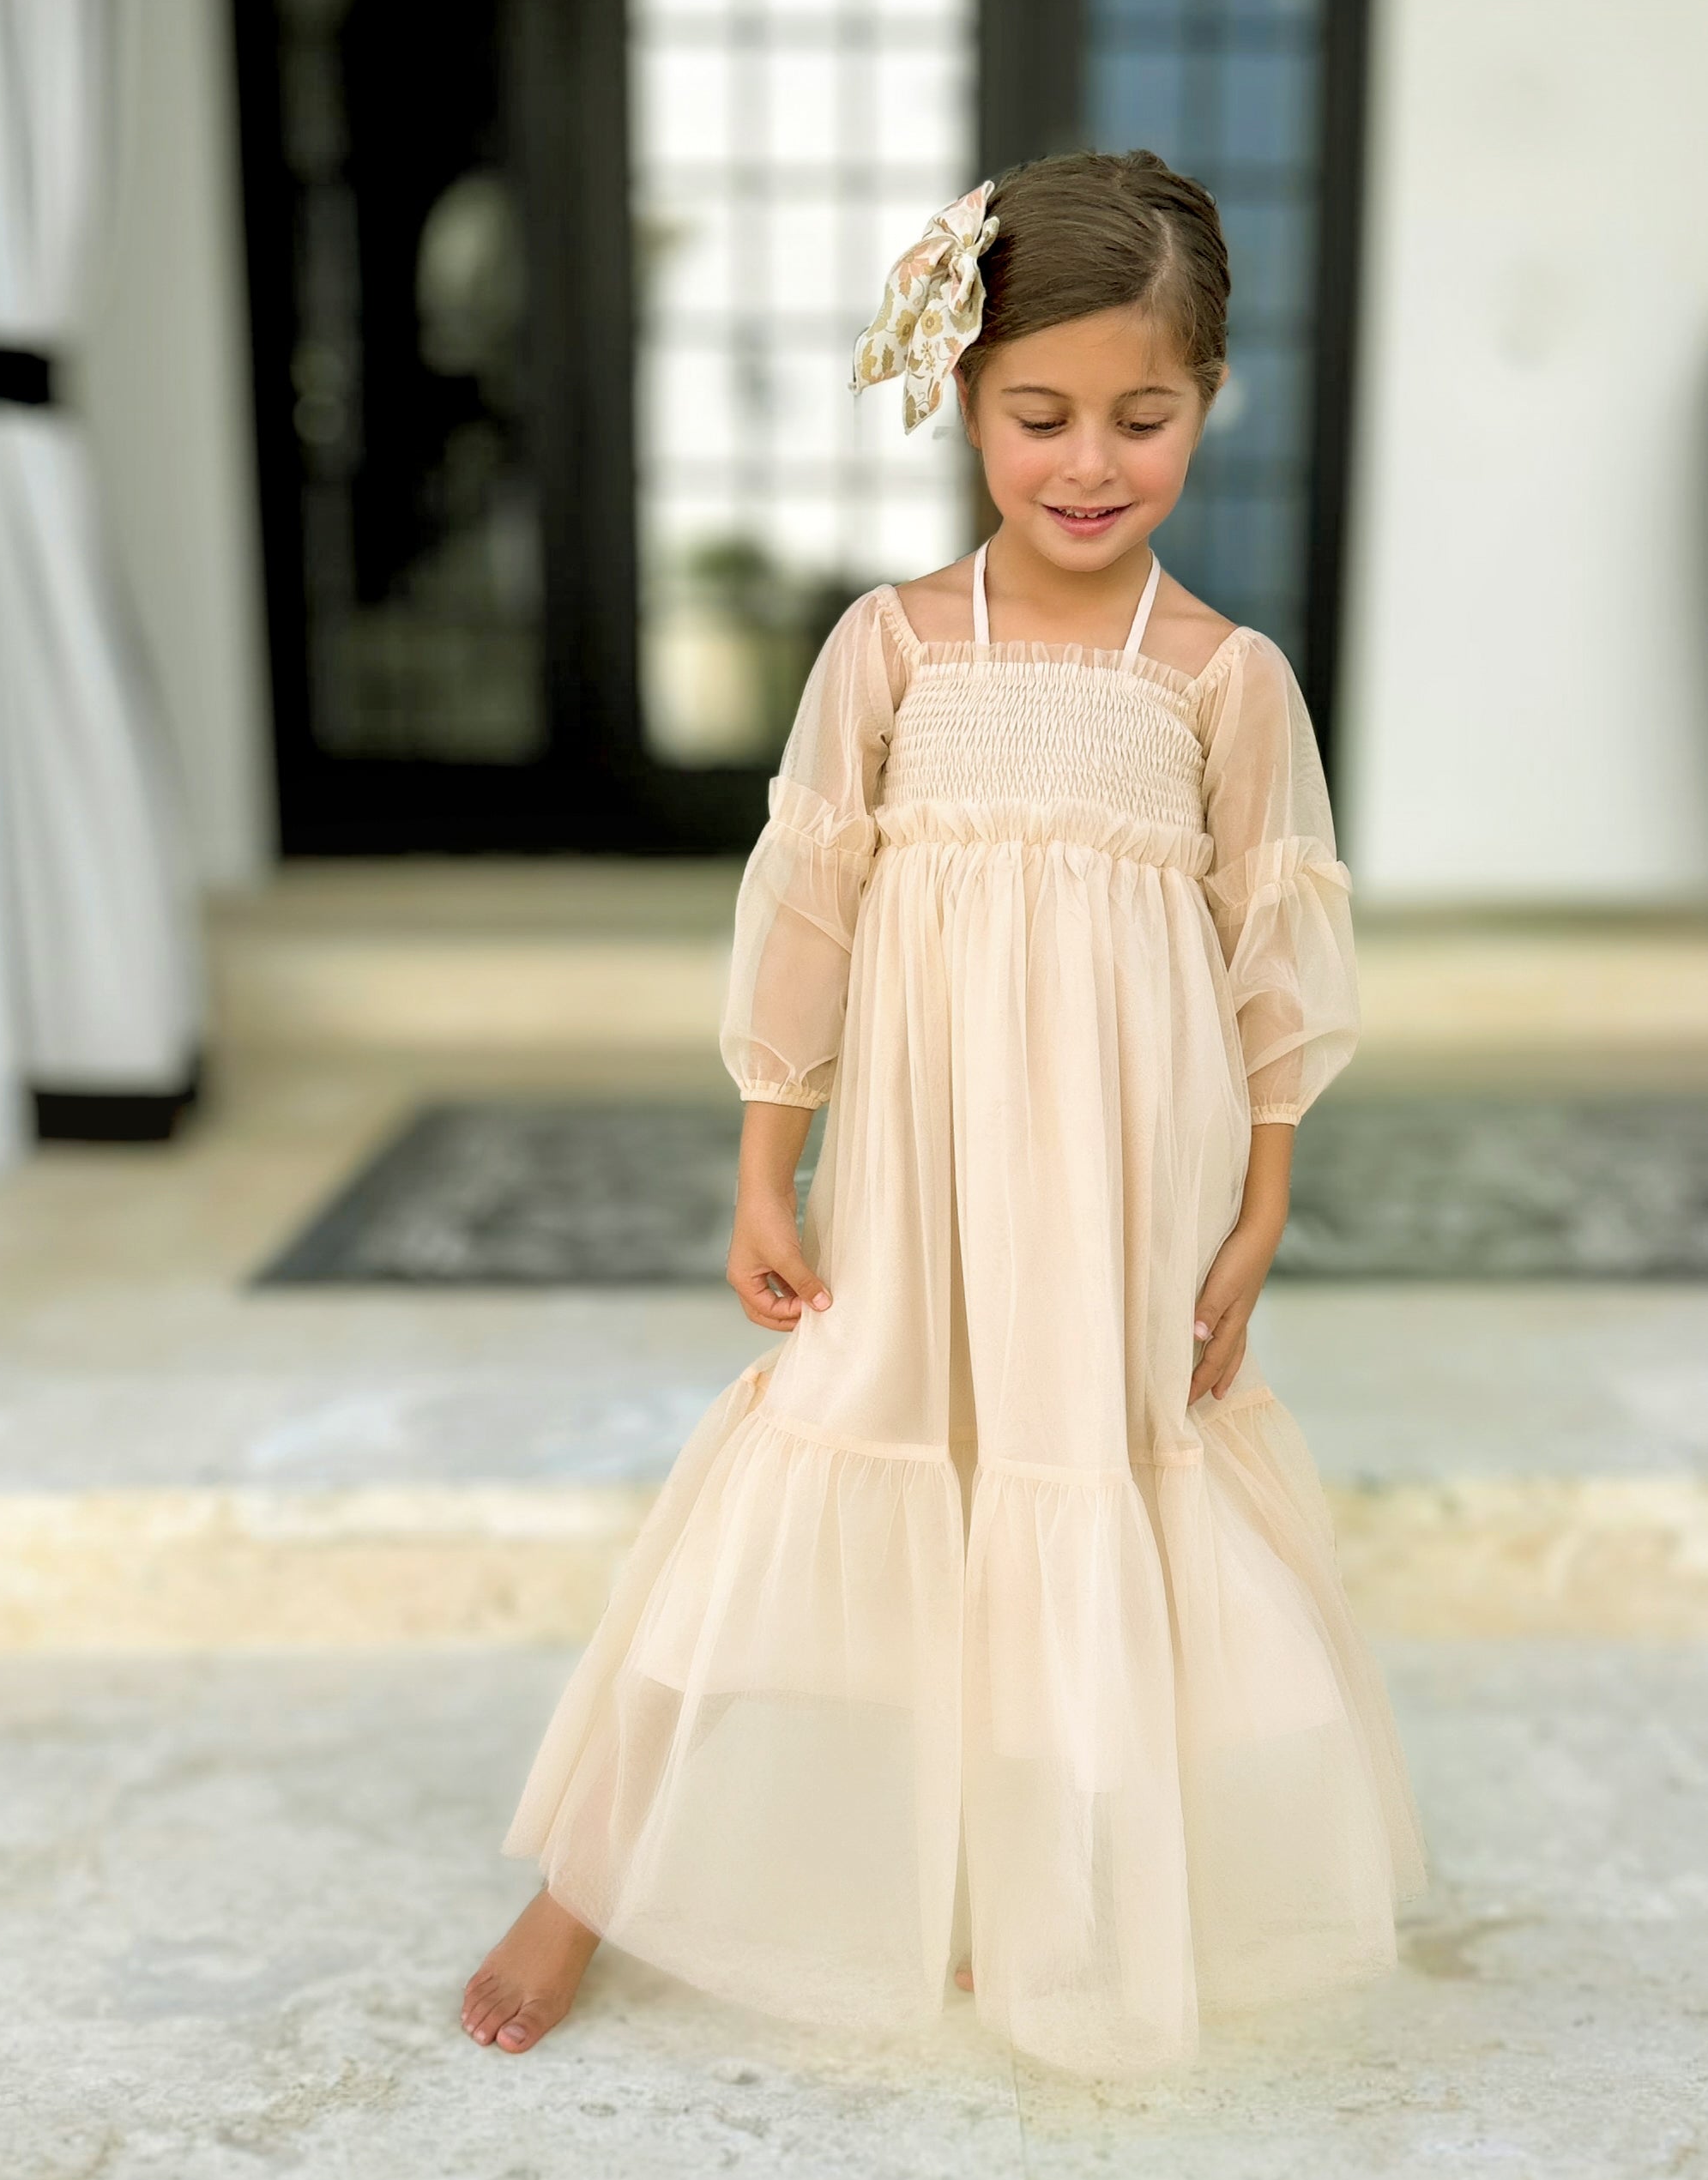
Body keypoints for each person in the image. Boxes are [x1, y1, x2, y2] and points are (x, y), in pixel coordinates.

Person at [462, 149, 1425, 2079]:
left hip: (1126, 1178)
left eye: (1141, 416)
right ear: (965, 396)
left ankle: (1034, 1885)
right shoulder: (890, 645)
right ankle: (586, 1875)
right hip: (915, 1171)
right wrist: (769, 1157)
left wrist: (1258, 1207)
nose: (1090, 461)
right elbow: (807, 909)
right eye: (1038, 413)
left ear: (1205, 400)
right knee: (818, 1459)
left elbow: (1274, 965)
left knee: (1079, 1471)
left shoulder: (1223, 678)